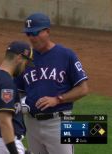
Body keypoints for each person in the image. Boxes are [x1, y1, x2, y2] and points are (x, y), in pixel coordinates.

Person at [14, 12, 89, 154]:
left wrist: (58, 99)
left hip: (59, 122)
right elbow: (18, 91)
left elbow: (83, 89)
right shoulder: (24, 58)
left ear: (47, 31)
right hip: (32, 123)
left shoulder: (66, 55)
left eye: (35, 33)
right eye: (28, 34)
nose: (32, 38)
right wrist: (20, 103)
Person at [0, 41, 34, 154]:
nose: (24, 68)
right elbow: (4, 122)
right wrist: (14, 151)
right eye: (25, 63)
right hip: (3, 143)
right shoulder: (6, 83)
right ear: (19, 58)